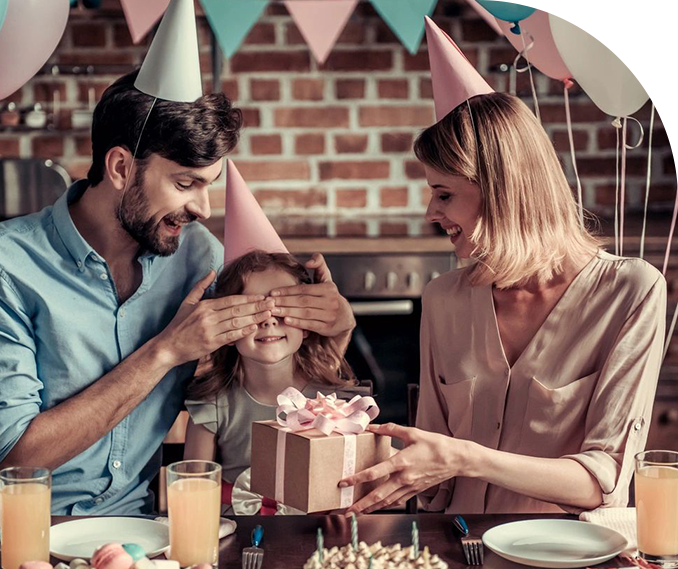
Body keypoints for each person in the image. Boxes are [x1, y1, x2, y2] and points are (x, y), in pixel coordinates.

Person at [339, 22, 666, 515]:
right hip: (455, 548)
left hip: (564, 560)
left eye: (444, 193)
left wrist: (467, 459)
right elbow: (432, 480)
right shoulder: (443, 298)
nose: (431, 214)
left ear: (501, 193)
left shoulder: (631, 291)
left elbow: (606, 482)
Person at [0, 70, 355, 515]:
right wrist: (165, 351)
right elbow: (14, 458)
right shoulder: (9, 267)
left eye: (209, 185)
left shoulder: (199, 258)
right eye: (185, 184)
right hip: (20, 531)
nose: (202, 209)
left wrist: (337, 326)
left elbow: (274, 382)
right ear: (121, 168)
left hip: (143, 531)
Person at [183, 250, 357, 514]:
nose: (269, 319)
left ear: (308, 322)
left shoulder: (331, 401)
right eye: (252, 309)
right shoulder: (213, 403)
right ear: (226, 328)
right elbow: (193, 497)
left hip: (314, 538)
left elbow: (346, 491)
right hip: (233, 536)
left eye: (284, 307)